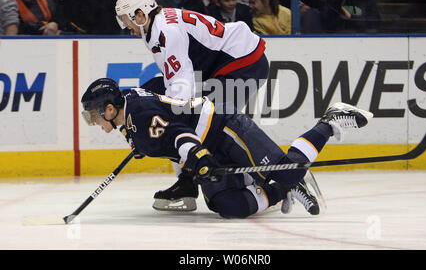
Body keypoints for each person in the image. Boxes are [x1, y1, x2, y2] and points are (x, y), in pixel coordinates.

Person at [80, 77, 374, 219]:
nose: (92, 121)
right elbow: (158, 94)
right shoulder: (129, 109)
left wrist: (198, 159)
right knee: (227, 206)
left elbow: (180, 136)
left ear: (108, 109)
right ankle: (280, 188)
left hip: (224, 128)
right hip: (209, 144)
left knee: (287, 171)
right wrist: (144, 141)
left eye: (93, 114)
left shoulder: (139, 116)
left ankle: (329, 122)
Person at [115, 0, 269, 212]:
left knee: (209, 123)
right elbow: (173, 83)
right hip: (221, 68)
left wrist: (160, 122)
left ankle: (269, 175)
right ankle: (187, 182)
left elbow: (181, 89)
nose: (124, 25)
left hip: (242, 64)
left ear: (140, 13)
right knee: (156, 100)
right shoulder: (154, 27)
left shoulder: (166, 31)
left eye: (125, 18)